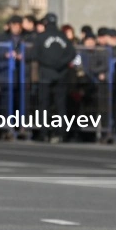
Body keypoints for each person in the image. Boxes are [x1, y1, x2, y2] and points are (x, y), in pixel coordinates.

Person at [34, 13, 76, 142]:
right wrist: (60, 64)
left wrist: (49, 64)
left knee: (44, 105)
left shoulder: (40, 38)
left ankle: (44, 133)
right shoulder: (63, 37)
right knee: (61, 106)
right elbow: (72, 53)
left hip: (46, 74)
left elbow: (36, 54)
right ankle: (62, 134)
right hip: (61, 74)